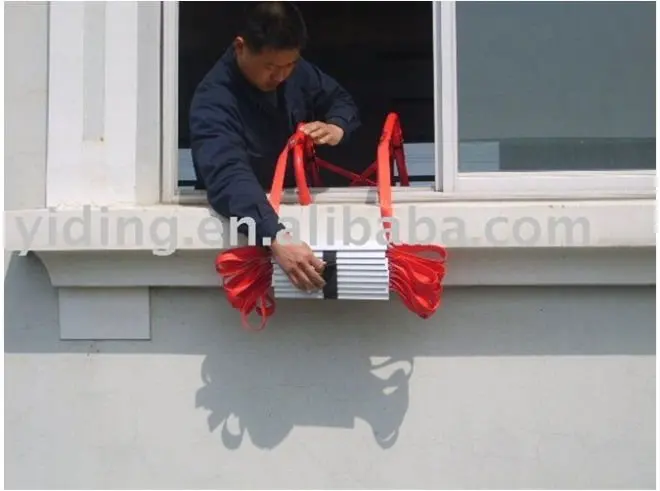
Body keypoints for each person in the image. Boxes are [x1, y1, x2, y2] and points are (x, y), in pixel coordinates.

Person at [189, 1, 361, 293]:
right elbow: (228, 176)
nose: (281, 76)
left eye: (289, 65)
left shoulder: (296, 71)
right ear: (240, 47)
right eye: (270, 67)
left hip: (299, 208)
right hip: (249, 230)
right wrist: (275, 236)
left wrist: (336, 127)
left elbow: (340, 100)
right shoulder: (213, 102)